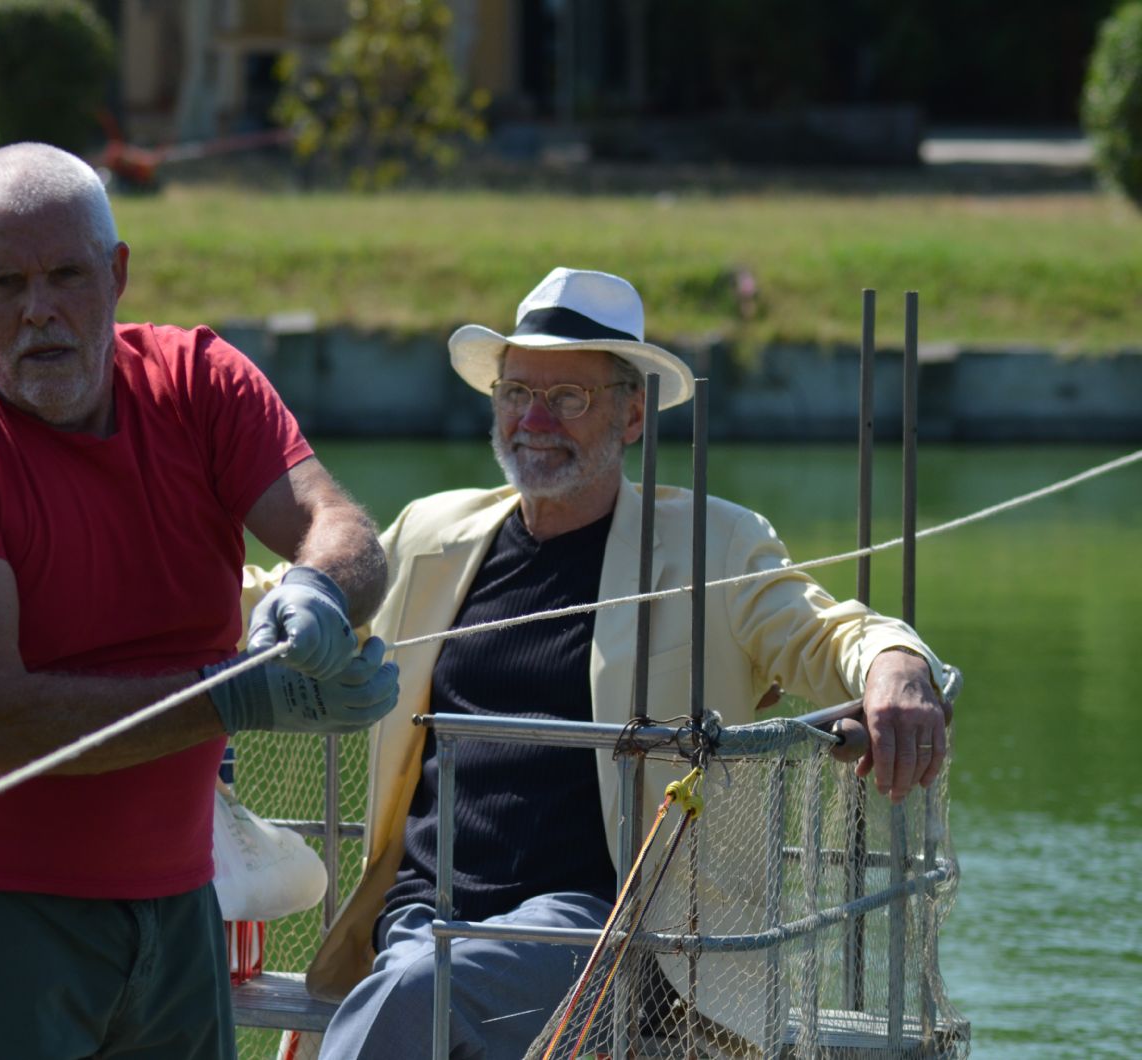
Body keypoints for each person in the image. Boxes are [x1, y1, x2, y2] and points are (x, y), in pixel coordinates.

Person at [250, 268, 951, 1059]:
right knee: (419, 978)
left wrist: (895, 663)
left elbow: (825, 634)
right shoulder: (431, 533)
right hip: (422, 911)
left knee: (419, 995)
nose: (534, 420)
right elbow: (292, 603)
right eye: (516, 392)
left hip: (599, 927)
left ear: (633, 414)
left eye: (569, 397)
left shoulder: (712, 544)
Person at [0, 142, 398, 1060]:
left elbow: (335, 525)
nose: (40, 310)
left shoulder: (201, 383)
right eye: (4, 284)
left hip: (180, 907)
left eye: (66, 274)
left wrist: (318, 591)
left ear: (118, 274)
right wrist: (236, 695)